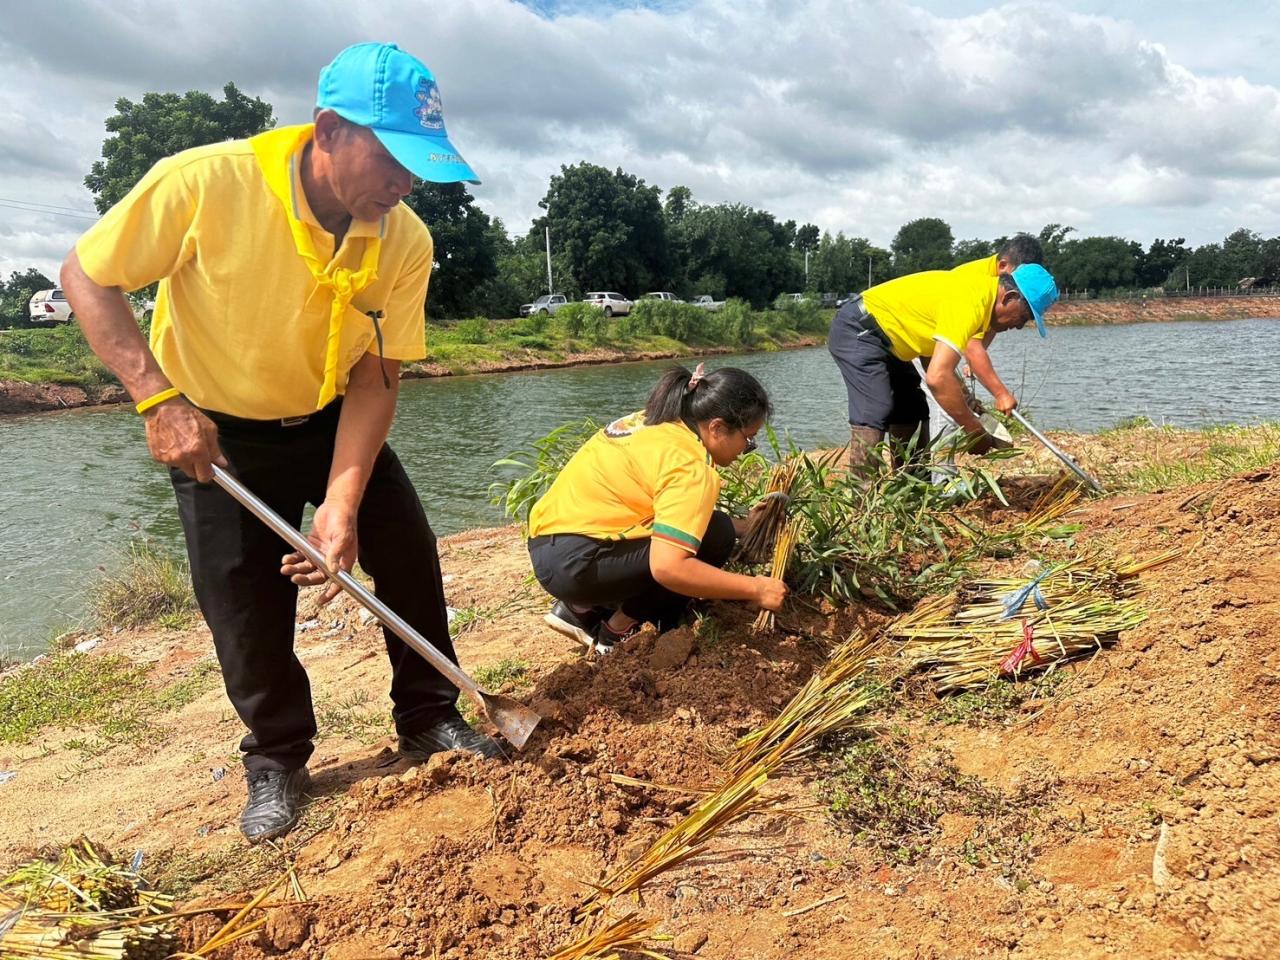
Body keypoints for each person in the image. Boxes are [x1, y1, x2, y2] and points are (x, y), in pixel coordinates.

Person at [61, 42, 502, 844]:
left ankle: (430, 718)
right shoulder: (206, 181)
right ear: (329, 129)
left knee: (406, 551)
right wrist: (157, 399)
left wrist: (342, 500)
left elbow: (376, 377)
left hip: (331, 410)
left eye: (420, 164)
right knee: (245, 605)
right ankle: (276, 761)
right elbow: (88, 277)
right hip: (217, 431)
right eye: (393, 157)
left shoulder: (403, 240)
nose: (406, 182)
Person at [526, 364, 788, 652]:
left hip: (551, 548)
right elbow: (668, 568)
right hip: (579, 566)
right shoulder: (691, 465)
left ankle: (580, 609)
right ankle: (620, 630)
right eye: (748, 440)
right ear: (717, 428)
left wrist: (745, 526)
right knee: (716, 536)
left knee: (714, 527)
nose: (746, 450)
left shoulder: (654, 421)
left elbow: (655, 510)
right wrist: (756, 588)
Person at [828, 261, 1059, 470]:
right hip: (860, 329)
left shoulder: (979, 297)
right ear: (1008, 298)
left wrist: (967, 401)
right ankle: (862, 500)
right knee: (876, 405)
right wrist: (973, 430)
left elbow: (934, 360)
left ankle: (912, 491)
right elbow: (938, 378)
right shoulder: (971, 301)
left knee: (912, 408)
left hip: (890, 341)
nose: (1019, 326)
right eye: (1024, 317)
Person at [921, 234, 1045, 470]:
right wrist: (1000, 393)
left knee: (958, 399)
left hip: (943, 341)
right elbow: (971, 345)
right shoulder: (974, 281)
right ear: (1003, 266)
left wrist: (972, 362)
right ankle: (942, 478)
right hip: (926, 339)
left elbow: (989, 325)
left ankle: (931, 474)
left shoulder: (999, 286)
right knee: (946, 404)